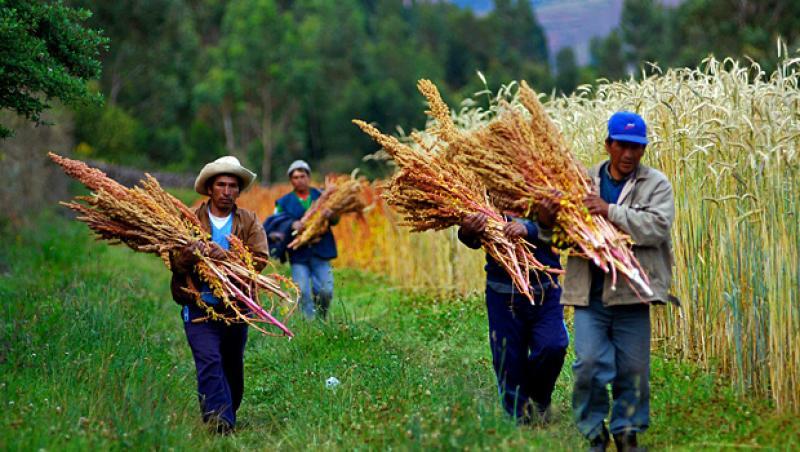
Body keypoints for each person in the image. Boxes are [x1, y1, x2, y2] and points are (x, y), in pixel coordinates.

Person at [561, 112, 675, 452]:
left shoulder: (656, 184)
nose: (629, 154)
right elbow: (560, 231)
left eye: (636, 147)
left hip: (633, 294)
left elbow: (657, 227)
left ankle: (627, 431)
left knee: (634, 369)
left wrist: (610, 211)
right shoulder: (582, 181)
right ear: (608, 144)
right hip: (590, 294)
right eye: (622, 146)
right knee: (589, 365)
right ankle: (594, 430)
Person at [169, 156, 269, 434]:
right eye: (221, 185)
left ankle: (226, 408)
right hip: (198, 304)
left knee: (232, 365)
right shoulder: (189, 220)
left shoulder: (248, 221)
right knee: (208, 360)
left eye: (233, 186)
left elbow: (260, 259)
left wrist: (225, 256)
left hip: (235, 307)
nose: (227, 191)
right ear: (210, 189)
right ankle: (220, 421)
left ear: (238, 191)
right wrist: (187, 257)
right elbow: (173, 261)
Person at [457, 199, 568, 425]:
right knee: (508, 359)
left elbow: (566, 231)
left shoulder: (545, 182)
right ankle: (519, 421)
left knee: (553, 346)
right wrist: (468, 231)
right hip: (502, 292)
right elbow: (470, 237)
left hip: (545, 288)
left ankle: (539, 400)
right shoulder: (485, 189)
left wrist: (529, 229)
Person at [267, 160, 337, 320]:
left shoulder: (322, 196)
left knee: (326, 290)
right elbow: (275, 222)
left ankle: (321, 317)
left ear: (309, 177)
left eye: (302, 176)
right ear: (291, 180)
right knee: (303, 291)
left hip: (320, 250)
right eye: (295, 177)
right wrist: (292, 224)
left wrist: (331, 215)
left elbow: (335, 220)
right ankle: (310, 325)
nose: (299, 180)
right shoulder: (283, 202)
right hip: (298, 254)